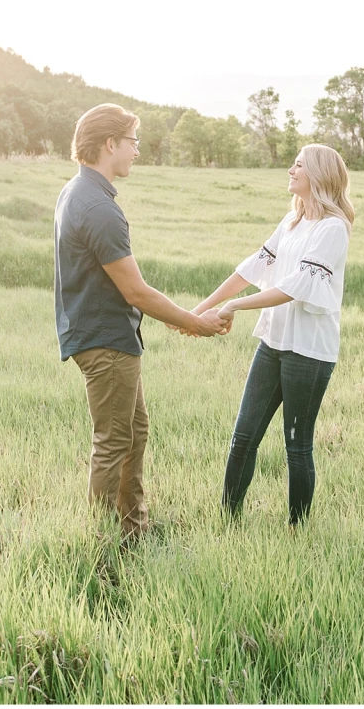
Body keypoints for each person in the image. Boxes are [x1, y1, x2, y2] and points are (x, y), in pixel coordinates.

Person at [54, 103, 227, 540]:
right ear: (110, 143)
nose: (137, 151)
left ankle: (133, 528)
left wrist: (182, 318)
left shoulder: (78, 191)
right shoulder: (98, 207)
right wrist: (194, 322)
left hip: (104, 334)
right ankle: (102, 544)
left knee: (134, 432)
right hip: (106, 339)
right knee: (114, 442)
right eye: (133, 141)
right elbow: (136, 291)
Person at [190, 143, 354, 526]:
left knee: (296, 446)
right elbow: (250, 269)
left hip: (309, 352)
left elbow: (296, 286)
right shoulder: (292, 222)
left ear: (318, 174)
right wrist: (196, 311)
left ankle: (297, 532)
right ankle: (228, 523)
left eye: (298, 165)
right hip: (273, 343)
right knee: (243, 436)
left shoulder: (333, 229)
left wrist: (234, 307)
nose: (291, 171)